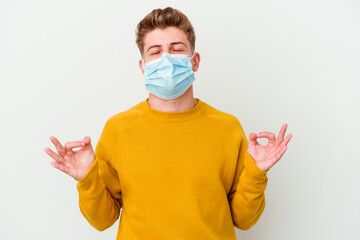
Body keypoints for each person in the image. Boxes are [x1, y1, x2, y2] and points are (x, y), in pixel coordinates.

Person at [44, 7, 292, 240]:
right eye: (155, 51)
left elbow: (244, 220)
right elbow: (102, 221)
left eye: (176, 49)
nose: (166, 58)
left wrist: (257, 174)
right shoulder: (118, 129)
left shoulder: (226, 127)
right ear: (143, 66)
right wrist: (87, 179)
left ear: (194, 61)